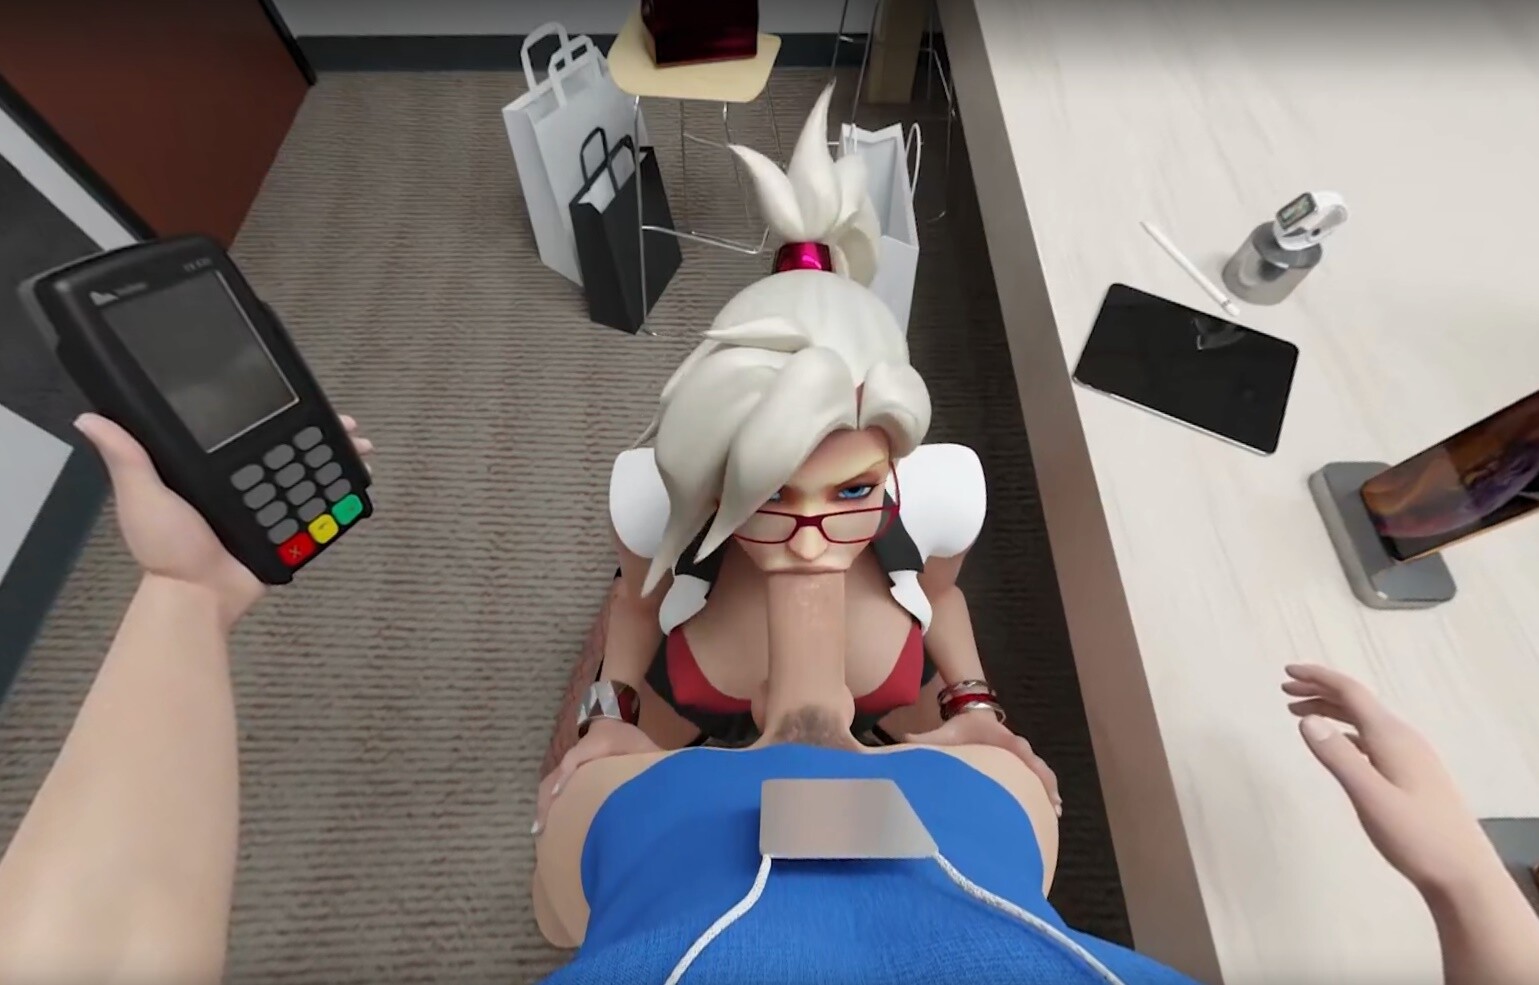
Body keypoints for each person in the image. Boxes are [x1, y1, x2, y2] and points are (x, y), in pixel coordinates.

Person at [0, 398, 1536, 985]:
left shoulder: (865, 559)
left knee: (599, 784)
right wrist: (1470, 892)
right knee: (994, 763)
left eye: (849, 495)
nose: (811, 529)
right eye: (776, 500)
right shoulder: (739, 554)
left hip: (668, 821)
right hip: (956, 816)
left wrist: (184, 602)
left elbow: (85, 956)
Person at [567, 82, 1044, 795]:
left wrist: (972, 703)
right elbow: (635, 605)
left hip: (889, 700)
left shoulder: (941, 496)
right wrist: (609, 712)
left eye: (852, 491)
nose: (811, 544)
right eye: (769, 494)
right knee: (594, 791)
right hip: (691, 698)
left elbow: (942, 598)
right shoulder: (649, 497)